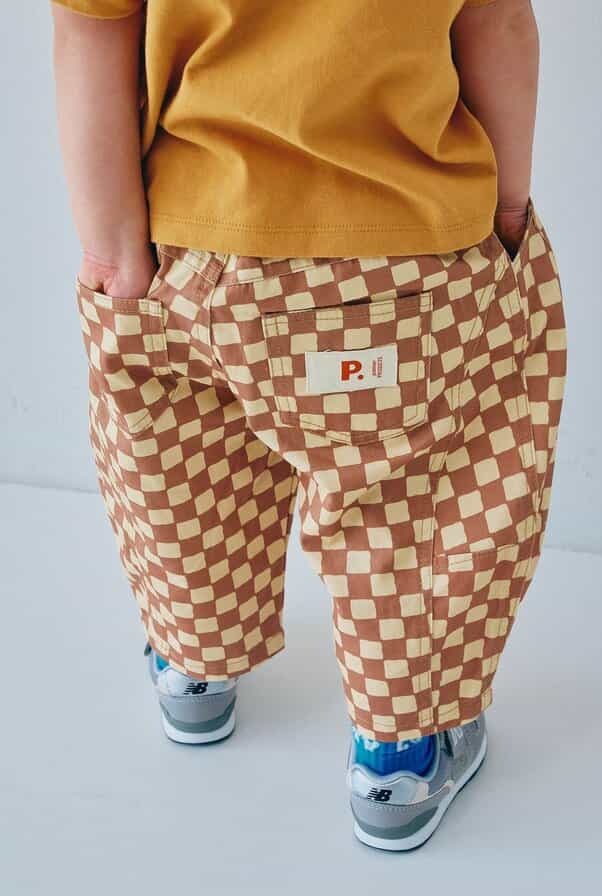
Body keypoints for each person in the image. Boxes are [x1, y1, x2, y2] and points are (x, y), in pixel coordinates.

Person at [51, 0, 567, 851]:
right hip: (403, 254)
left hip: (184, 241)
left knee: (181, 460)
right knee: (413, 500)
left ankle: (193, 667)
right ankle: (401, 756)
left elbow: (88, 28)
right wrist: (507, 208)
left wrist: (111, 253)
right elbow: (500, 21)